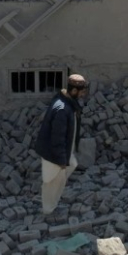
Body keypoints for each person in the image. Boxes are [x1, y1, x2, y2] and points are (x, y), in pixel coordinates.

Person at [34, 74, 88, 215]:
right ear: (74, 91)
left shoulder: (66, 101)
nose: (83, 95)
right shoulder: (63, 109)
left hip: (61, 150)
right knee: (51, 181)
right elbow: (57, 138)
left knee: (71, 165)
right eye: (82, 92)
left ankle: (53, 203)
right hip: (52, 152)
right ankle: (48, 210)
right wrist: (61, 160)